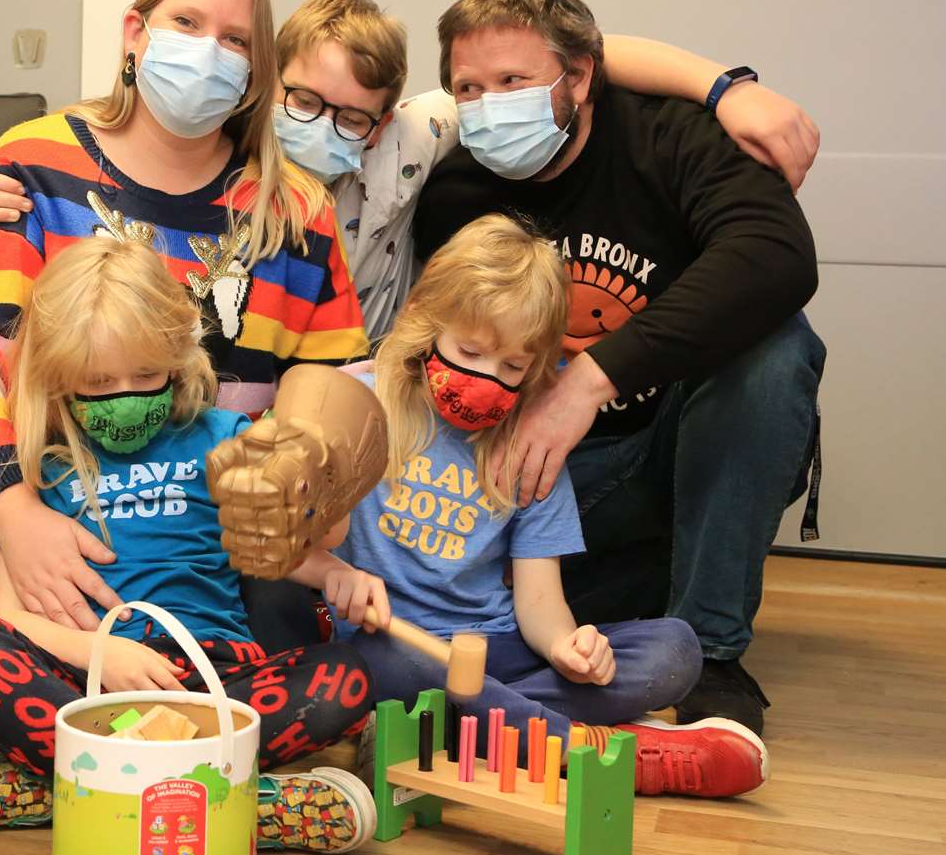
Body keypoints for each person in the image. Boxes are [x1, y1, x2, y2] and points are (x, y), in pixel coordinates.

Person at [0, 0, 366, 651]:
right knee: (0, 643)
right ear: (135, 32)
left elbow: (330, 376)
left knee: (286, 645)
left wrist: (303, 478)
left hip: (201, 505)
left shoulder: (297, 211)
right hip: (26, 481)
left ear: (256, 74)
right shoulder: (28, 164)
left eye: (237, 40)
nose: (210, 51)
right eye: (187, 23)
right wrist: (16, 515)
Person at [0, 0, 820, 342]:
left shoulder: (419, 135)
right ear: (266, 86)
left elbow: (559, 60)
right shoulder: (220, 140)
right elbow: (108, 151)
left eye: (351, 114)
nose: (321, 126)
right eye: (302, 102)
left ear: (385, 115)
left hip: (370, 377)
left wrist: (724, 88)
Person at [412, 0, 825, 736]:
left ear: (580, 77)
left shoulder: (668, 136)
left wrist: (587, 384)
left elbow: (779, 258)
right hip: (542, 481)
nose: (489, 105)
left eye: (513, 81)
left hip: (677, 446)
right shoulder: (453, 193)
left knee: (776, 349)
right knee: (544, 616)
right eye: (467, 88)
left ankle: (715, 654)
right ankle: (595, 631)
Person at [0, 235, 377, 853]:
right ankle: (240, 807)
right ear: (58, 379)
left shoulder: (225, 439)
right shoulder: (44, 470)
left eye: (146, 374)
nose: (125, 395)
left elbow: (283, 542)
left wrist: (335, 575)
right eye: (98, 381)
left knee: (343, 678)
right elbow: (9, 616)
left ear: (179, 358)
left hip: (212, 683)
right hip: (89, 686)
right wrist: (100, 656)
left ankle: (65, 796)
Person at [296, 215, 767, 798]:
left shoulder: (529, 445)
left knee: (675, 649)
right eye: (470, 350)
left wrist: (570, 648)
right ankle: (595, 752)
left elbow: (540, 601)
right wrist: (335, 572)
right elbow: (280, 547)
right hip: (396, 644)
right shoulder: (360, 405)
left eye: (514, 367)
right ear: (427, 323)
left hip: (497, 652)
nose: (488, 377)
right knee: (375, 667)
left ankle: (451, 730)